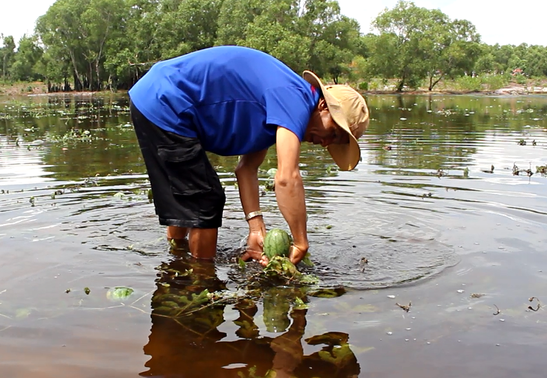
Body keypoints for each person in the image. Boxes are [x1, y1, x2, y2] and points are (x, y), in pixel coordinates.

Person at [128, 45, 369, 266]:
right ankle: (201, 277)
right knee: (205, 200)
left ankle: (176, 262)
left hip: (156, 97)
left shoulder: (280, 105)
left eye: (334, 142)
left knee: (189, 199)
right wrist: (300, 241)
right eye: (334, 133)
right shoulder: (295, 98)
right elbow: (286, 178)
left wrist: (256, 229)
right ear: (323, 107)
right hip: (167, 100)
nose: (326, 143)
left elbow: (247, 169)